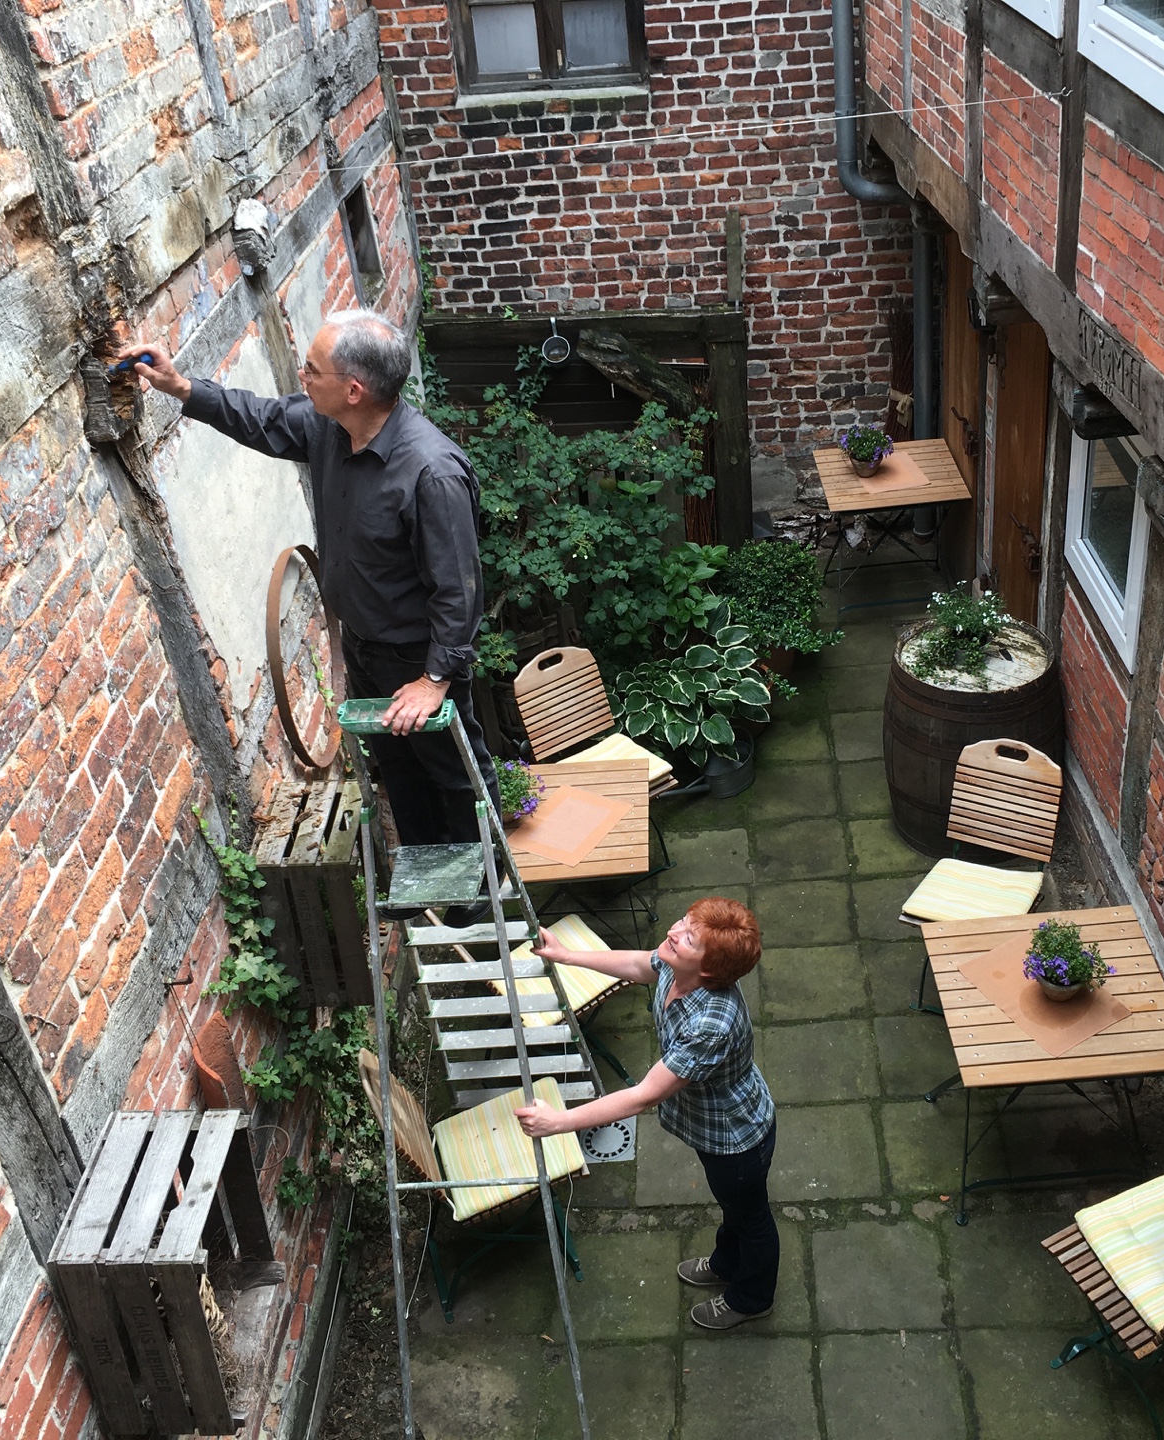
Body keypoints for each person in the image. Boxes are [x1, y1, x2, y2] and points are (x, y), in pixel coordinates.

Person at [118, 312, 499, 861]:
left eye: (312, 369)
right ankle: (426, 876)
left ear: (354, 390)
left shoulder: (430, 473)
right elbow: (262, 419)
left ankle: (484, 884)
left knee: (454, 773)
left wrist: (434, 679)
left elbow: (458, 590)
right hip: (365, 648)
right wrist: (181, 387)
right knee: (398, 769)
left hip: (419, 658)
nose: (302, 376)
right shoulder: (330, 428)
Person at [515, 898, 777, 1330]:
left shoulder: (711, 1025)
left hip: (735, 1138)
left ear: (708, 970)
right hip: (714, 1128)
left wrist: (558, 1123)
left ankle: (751, 1299)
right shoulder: (678, 967)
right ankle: (727, 1263)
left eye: (688, 937)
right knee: (734, 1206)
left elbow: (642, 1097)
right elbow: (640, 964)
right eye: (683, 922)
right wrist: (565, 955)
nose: (673, 933)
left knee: (750, 1217)